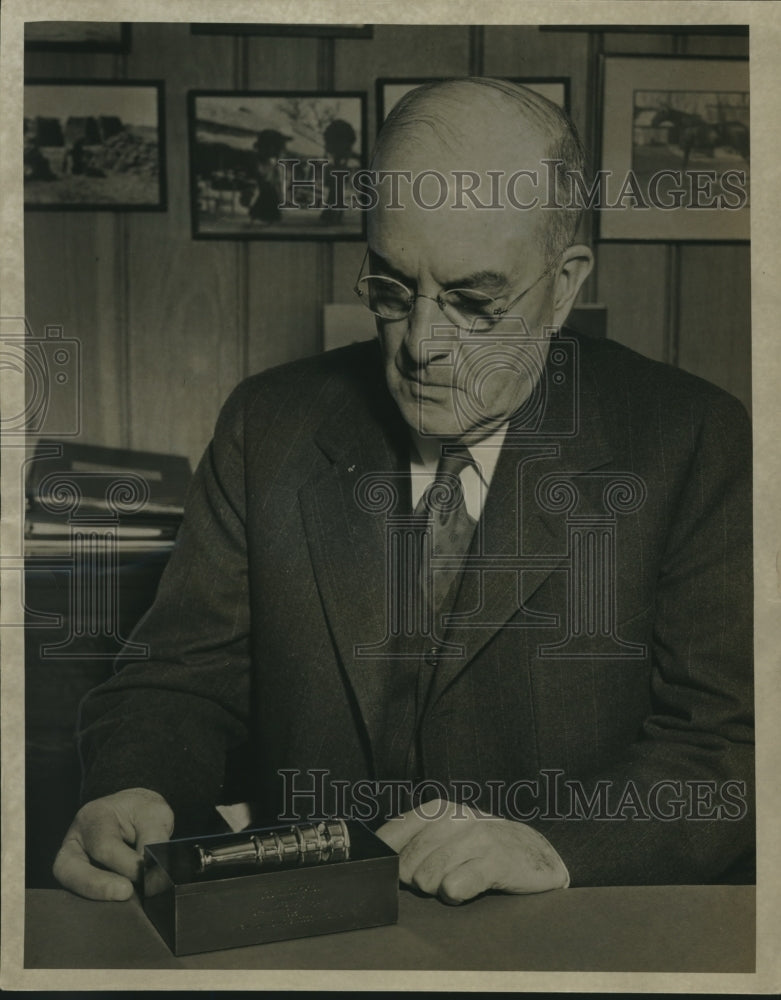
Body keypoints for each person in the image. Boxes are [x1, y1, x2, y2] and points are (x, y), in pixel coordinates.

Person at [53, 79, 753, 904]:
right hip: (313, 930)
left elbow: (726, 744)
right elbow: (176, 678)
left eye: (472, 301)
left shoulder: (689, 440)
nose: (422, 344)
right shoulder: (267, 425)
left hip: (569, 932)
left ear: (563, 285)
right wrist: (135, 787)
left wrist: (554, 844)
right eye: (390, 290)